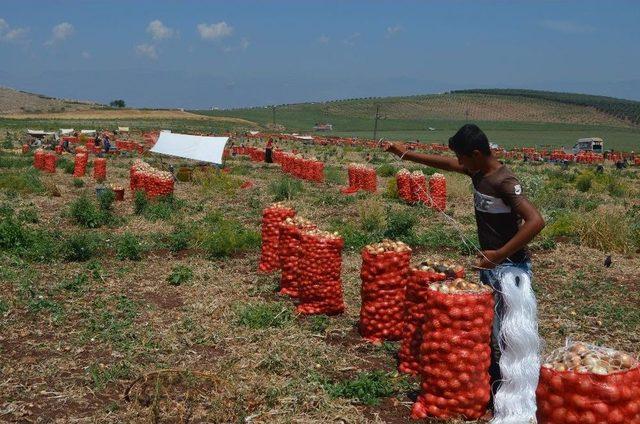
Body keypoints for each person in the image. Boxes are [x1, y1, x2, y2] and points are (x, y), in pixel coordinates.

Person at [384, 124, 545, 402]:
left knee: (510, 334)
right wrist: (406, 155)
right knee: (492, 329)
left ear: (476, 153)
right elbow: (446, 163)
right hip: (491, 265)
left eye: (462, 157)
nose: (458, 162)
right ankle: (495, 385)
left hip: (511, 268)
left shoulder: (504, 181)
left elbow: (536, 221)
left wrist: (499, 254)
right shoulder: (477, 170)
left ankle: (513, 392)